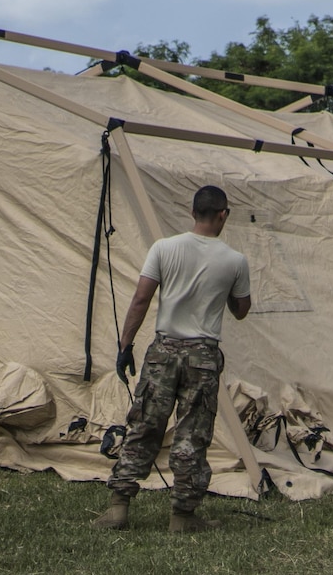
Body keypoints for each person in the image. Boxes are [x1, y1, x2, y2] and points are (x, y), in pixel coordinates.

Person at [97, 185, 251, 534]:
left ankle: (119, 507)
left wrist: (125, 347)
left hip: (163, 351)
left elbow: (140, 299)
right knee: (192, 434)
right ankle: (182, 515)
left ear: (193, 211)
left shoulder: (163, 248)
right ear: (222, 214)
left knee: (144, 426)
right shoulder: (234, 260)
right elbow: (241, 310)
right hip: (202, 356)